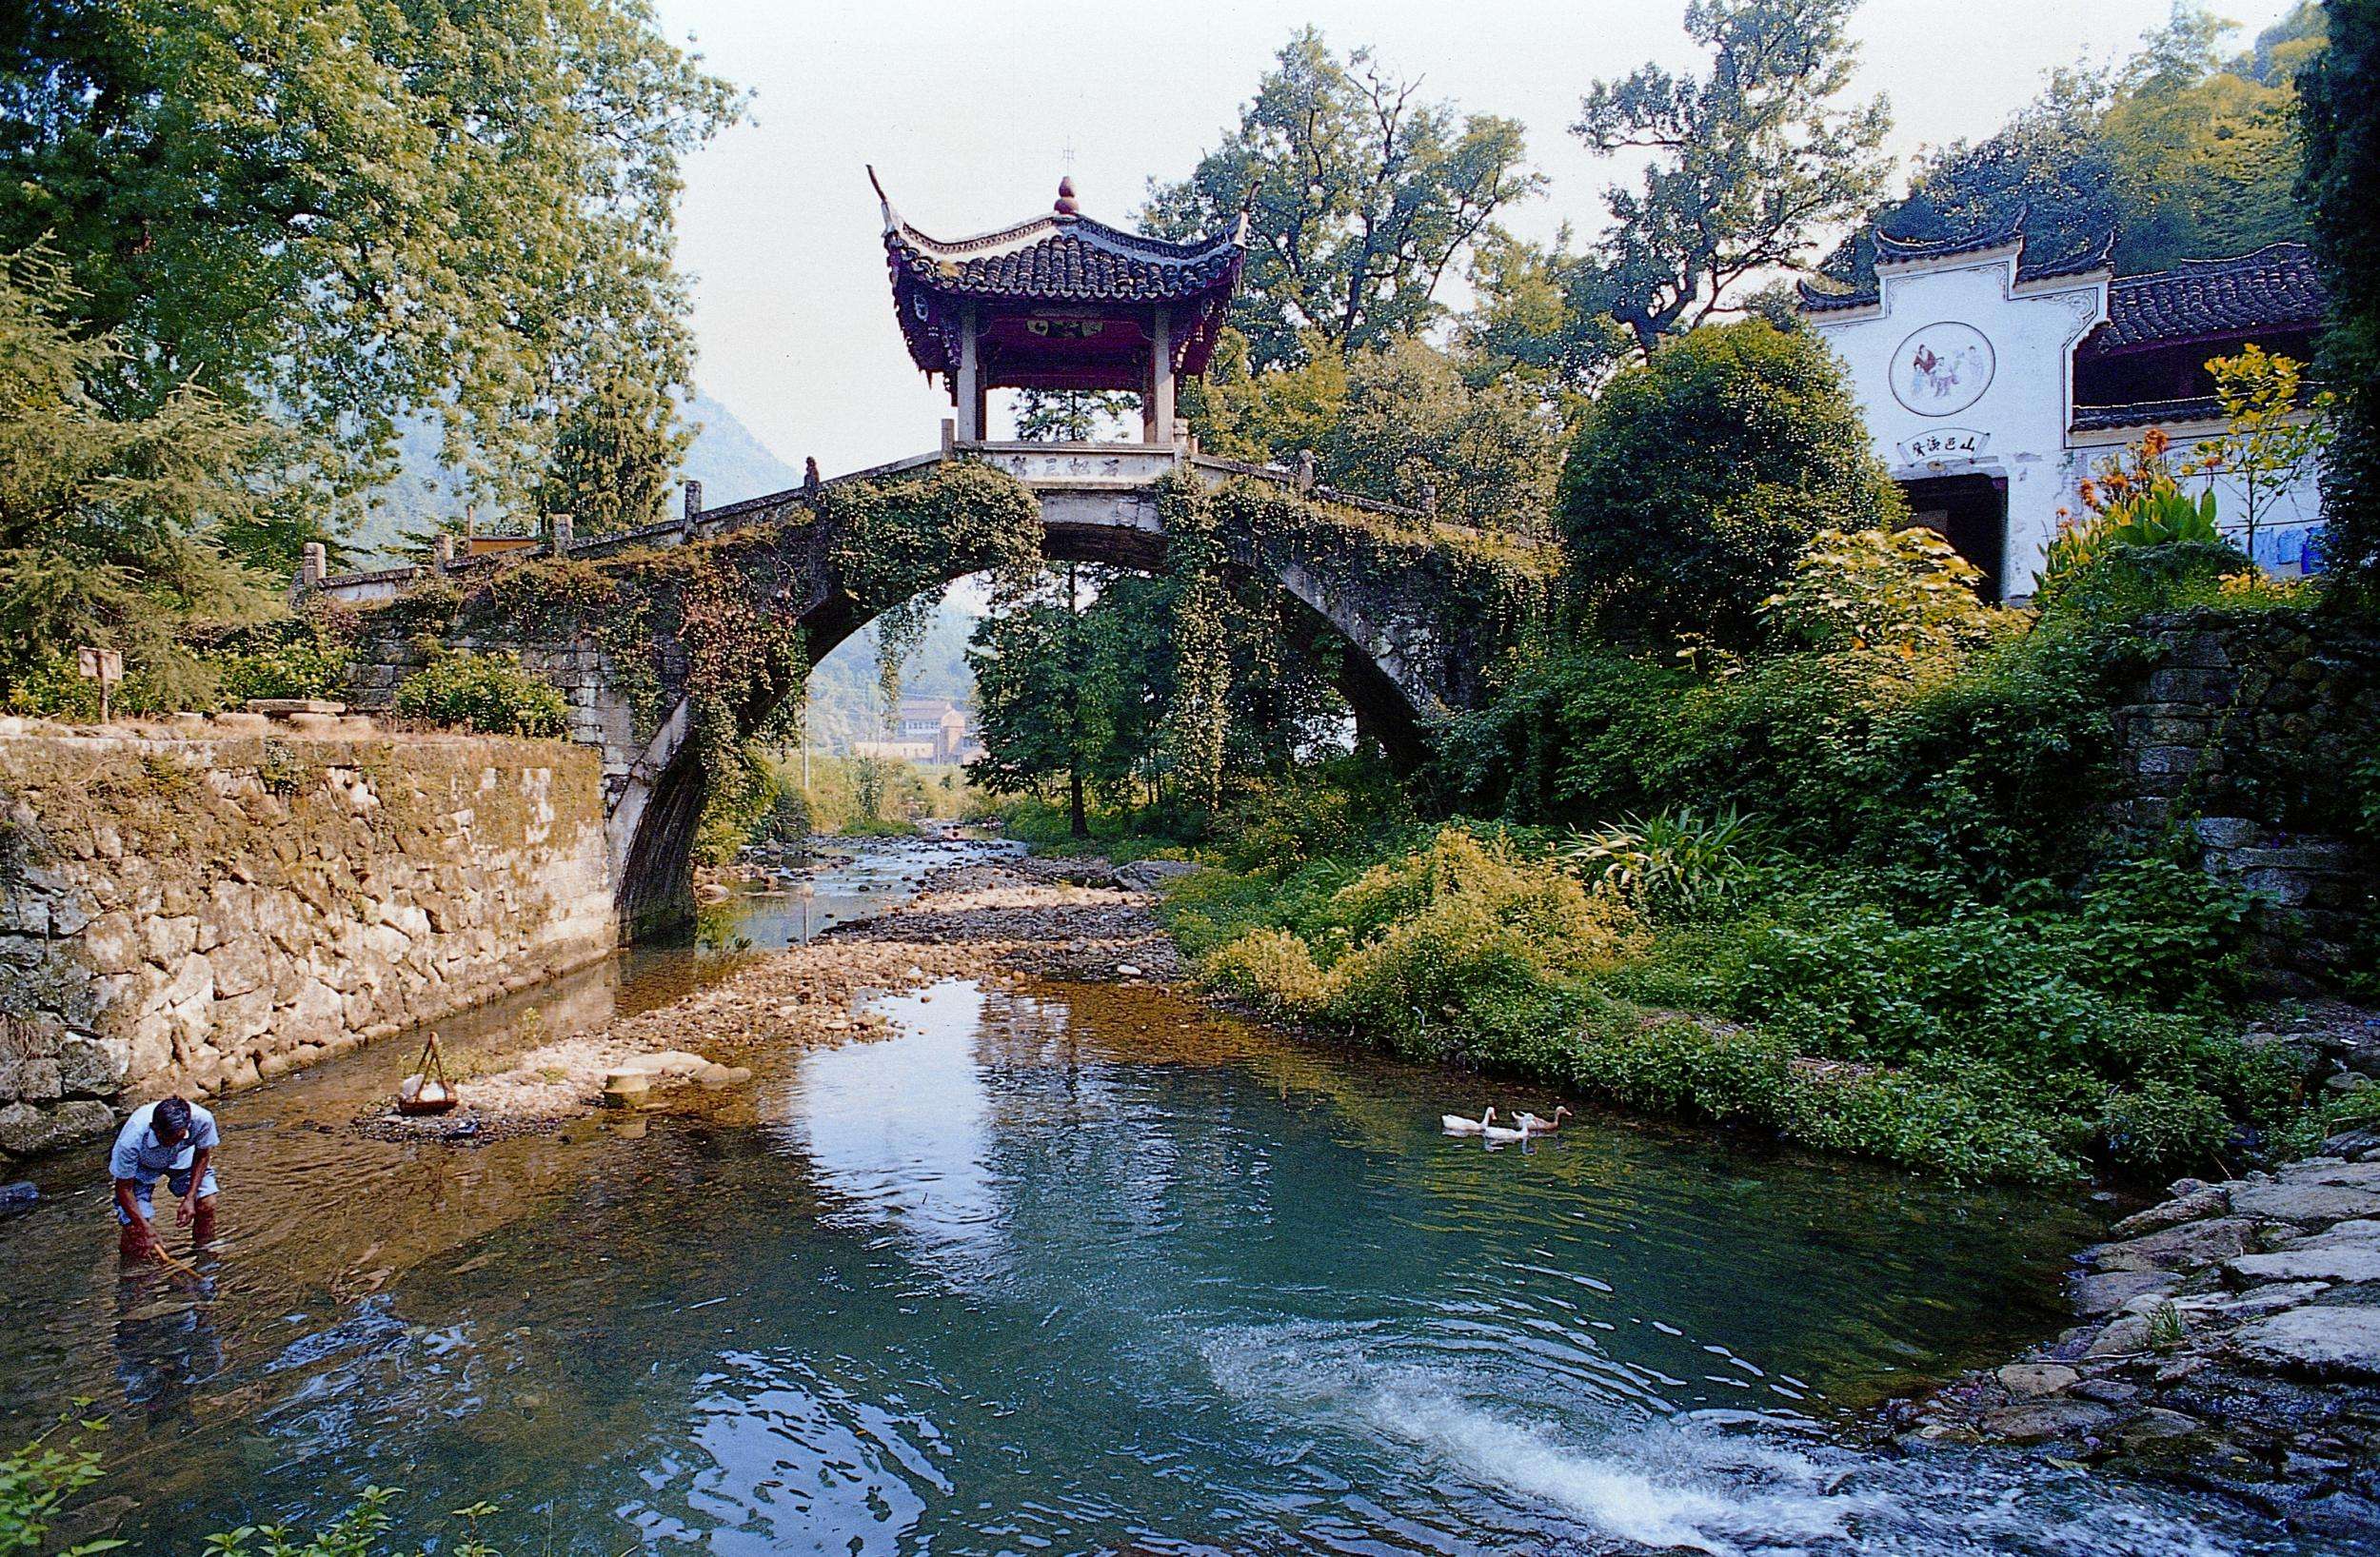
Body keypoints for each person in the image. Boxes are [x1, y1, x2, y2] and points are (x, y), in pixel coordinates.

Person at [110, 1094, 219, 1262]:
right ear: (154, 1128)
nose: (172, 1144)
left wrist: (190, 1198)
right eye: (166, 1139)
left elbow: (202, 1155)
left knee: (207, 1204)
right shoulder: (131, 1139)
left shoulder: (202, 1120)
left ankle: (205, 1256)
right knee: (134, 1229)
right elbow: (124, 1188)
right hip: (142, 1166)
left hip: (183, 1160)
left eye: (179, 1138)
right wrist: (145, 1227)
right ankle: (133, 1273)